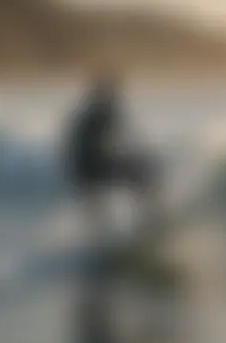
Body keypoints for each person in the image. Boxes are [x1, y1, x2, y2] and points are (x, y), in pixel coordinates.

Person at [64, 71, 160, 234]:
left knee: (135, 168)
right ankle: (152, 220)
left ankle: (98, 229)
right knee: (141, 170)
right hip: (94, 168)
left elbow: (76, 147)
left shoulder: (87, 112)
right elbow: (123, 138)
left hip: (82, 171)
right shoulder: (106, 110)